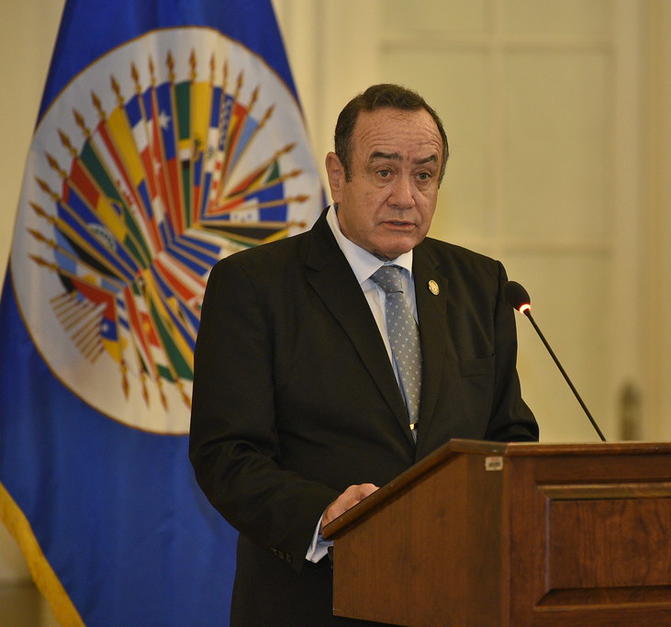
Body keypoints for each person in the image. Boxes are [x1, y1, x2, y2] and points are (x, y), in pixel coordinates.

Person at [189, 83, 539, 625]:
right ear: (337, 175)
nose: (406, 195)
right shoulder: (255, 286)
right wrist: (322, 515)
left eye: (424, 175)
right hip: (316, 600)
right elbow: (226, 454)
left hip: (458, 600)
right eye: (383, 171)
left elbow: (509, 437)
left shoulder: (481, 284)